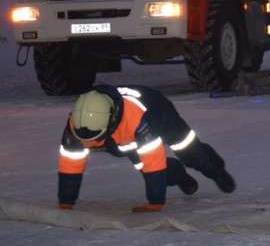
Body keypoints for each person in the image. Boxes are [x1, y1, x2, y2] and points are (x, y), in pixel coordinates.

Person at [58, 85, 235, 212]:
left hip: (158, 111)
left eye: (95, 138)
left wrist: (155, 202)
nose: (90, 144)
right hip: (124, 139)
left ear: (110, 122)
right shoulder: (77, 124)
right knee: (145, 167)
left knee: (187, 149)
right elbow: (70, 164)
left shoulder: (136, 119)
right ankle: (179, 176)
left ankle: (217, 172)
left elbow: (154, 160)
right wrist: (66, 201)